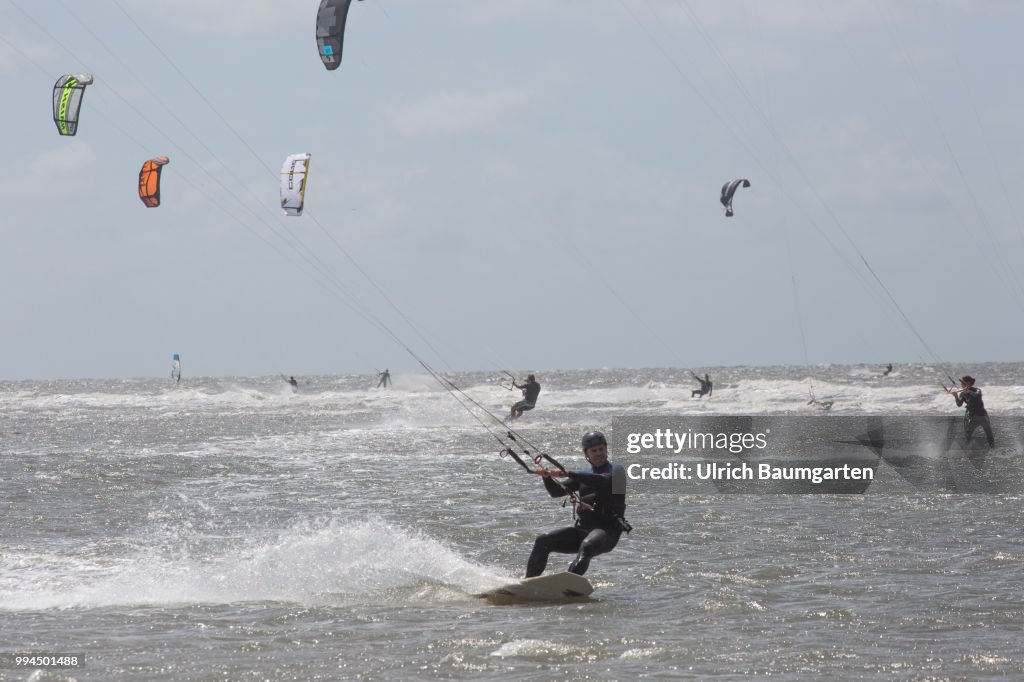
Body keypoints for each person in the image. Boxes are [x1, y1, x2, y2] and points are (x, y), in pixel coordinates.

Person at [526, 430, 629, 577]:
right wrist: (547, 476)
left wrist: (567, 473)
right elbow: (555, 492)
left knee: (587, 546)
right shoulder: (583, 475)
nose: (598, 453)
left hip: (607, 532)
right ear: (587, 454)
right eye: (594, 451)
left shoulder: (617, 472)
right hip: (583, 530)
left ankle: (567, 587)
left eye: (601, 449)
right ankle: (528, 584)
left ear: (606, 449)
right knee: (543, 540)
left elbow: (602, 481)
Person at [952, 375, 994, 447]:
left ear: (968, 383)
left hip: (981, 415)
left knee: (988, 432)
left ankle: (992, 446)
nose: (961, 385)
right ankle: (969, 449)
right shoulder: (962, 393)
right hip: (971, 416)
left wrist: (968, 391)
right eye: (961, 383)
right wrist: (956, 397)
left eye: (963, 383)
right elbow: (959, 404)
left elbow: (977, 395)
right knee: (967, 434)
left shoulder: (977, 390)